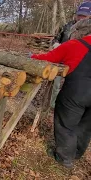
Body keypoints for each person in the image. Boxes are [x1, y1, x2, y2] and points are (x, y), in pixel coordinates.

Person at [30, 17, 91, 168]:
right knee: (87, 125)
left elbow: (48, 58)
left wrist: (31, 57)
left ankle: (65, 158)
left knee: (66, 124)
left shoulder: (74, 45)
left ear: (79, 31)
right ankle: (77, 153)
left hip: (76, 93)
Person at [50, 1, 91, 109]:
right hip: (62, 60)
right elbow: (56, 38)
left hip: (80, 65)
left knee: (73, 87)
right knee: (56, 85)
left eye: (84, 16)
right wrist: (56, 45)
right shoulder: (67, 26)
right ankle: (53, 104)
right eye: (79, 15)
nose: (81, 18)